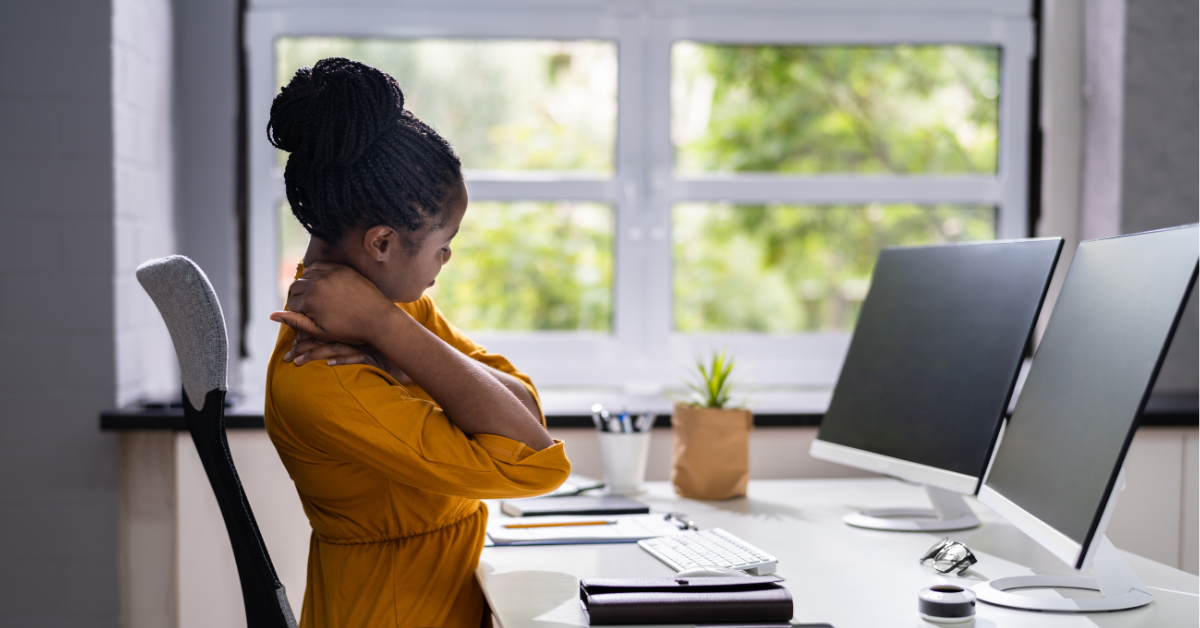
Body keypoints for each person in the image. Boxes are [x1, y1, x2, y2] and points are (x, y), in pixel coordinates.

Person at [263, 57, 571, 628]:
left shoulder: (395, 311)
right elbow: (536, 464)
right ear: (382, 241)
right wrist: (388, 332)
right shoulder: (323, 377)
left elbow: (524, 411)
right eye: (444, 243)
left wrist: (392, 338)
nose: (447, 259)